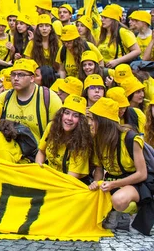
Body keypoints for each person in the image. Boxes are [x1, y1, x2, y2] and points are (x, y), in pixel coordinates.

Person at [88, 97, 152, 234]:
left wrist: (114, 185)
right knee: (88, 194)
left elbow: (142, 174)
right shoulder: (97, 139)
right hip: (112, 181)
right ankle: (113, 210)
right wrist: (96, 182)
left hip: (137, 182)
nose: (90, 123)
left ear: (103, 122)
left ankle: (137, 210)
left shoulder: (130, 138)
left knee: (118, 200)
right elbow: (99, 168)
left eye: (93, 119)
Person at [0, 58, 62, 141]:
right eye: (13, 74)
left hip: (36, 151)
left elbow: (59, 132)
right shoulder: (7, 95)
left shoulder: (49, 97)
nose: (16, 78)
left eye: (21, 75)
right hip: (10, 150)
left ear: (32, 78)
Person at [36, 95, 92, 181]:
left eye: (75, 115)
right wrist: (38, 170)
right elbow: (41, 152)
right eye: (67, 113)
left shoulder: (82, 140)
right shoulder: (51, 127)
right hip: (49, 176)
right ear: (61, 114)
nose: (69, 118)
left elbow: (70, 178)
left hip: (69, 182)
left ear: (81, 120)